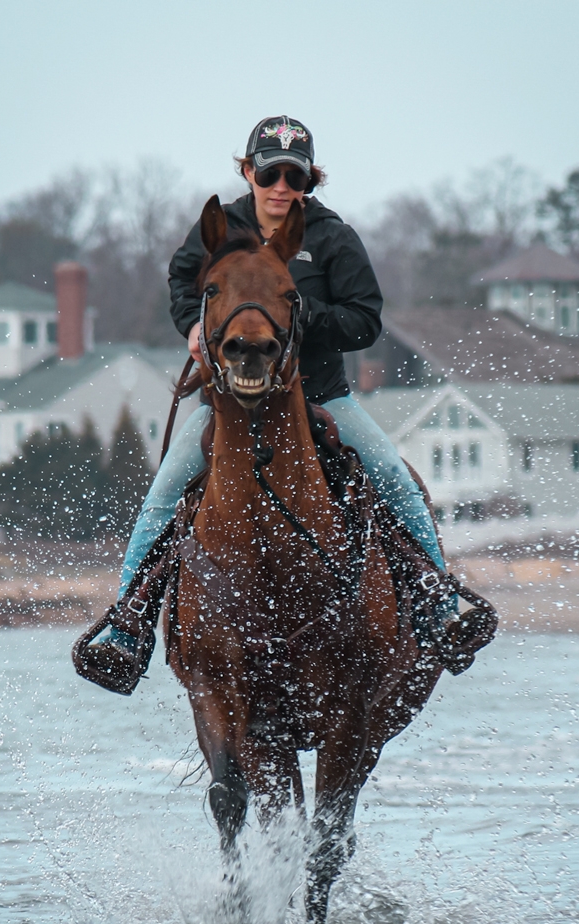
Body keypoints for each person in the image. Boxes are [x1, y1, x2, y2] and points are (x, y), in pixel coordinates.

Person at [110, 115, 450, 652]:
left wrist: (291, 314)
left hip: (323, 398)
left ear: (310, 182)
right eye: (270, 176)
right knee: (162, 494)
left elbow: (365, 320)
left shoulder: (334, 237)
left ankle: (439, 605)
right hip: (229, 406)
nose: (281, 189)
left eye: (295, 179)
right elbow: (182, 281)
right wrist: (194, 325)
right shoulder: (219, 228)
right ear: (248, 172)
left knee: (394, 477)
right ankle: (126, 627)